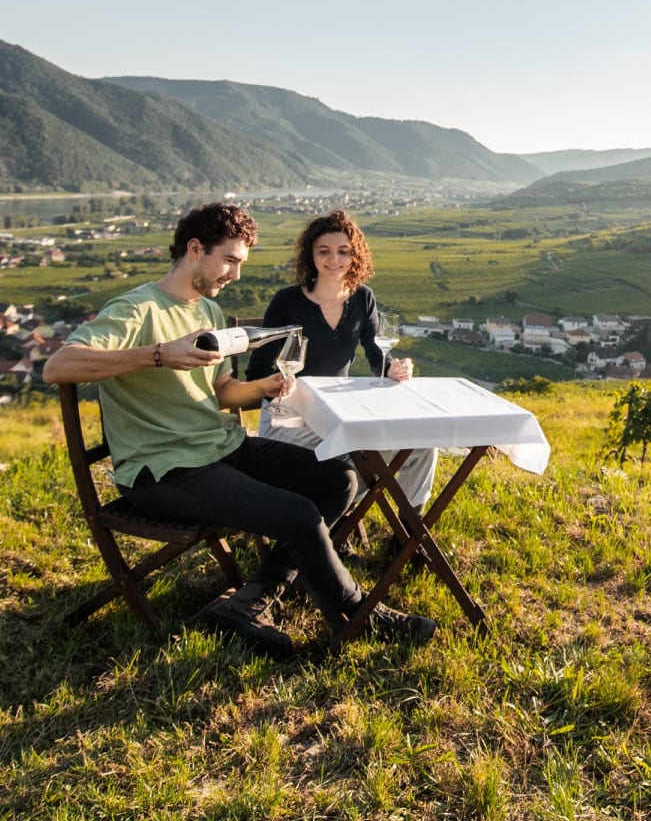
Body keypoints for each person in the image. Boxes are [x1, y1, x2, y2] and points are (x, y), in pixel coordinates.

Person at [41, 201, 435, 656]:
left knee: (340, 479)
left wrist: (266, 387)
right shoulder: (137, 309)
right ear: (195, 249)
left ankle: (249, 601)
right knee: (299, 516)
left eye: (241, 263)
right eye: (230, 260)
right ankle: (356, 613)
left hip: (221, 448)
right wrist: (158, 354)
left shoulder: (207, 311)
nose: (236, 274)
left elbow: (223, 392)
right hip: (164, 469)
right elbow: (58, 366)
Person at [245, 209, 438, 513]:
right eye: (324, 251)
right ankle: (330, 516)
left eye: (343, 251)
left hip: (338, 415)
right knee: (363, 455)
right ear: (311, 254)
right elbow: (257, 369)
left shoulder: (363, 298)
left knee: (421, 442)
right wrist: (278, 386)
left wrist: (393, 367)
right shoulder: (286, 301)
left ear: (354, 255)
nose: (333, 259)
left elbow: (376, 353)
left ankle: (408, 531)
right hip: (289, 418)